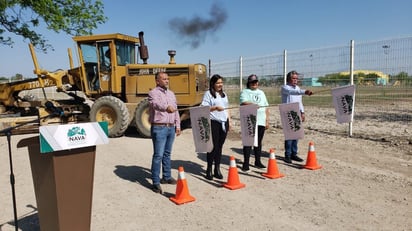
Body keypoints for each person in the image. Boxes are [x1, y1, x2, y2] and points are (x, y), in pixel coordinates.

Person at [148, 72, 181, 193]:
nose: (167, 81)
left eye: (168, 78)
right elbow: (155, 104)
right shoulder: (153, 93)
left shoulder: (171, 94)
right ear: (157, 81)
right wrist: (166, 107)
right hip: (159, 128)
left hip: (170, 128)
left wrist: (177, 125)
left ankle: (166, 177)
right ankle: (155, 182)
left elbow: (176, 110)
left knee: (167, 153)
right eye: (164, 79)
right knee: (158, 155)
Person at [201, 74, 231, 180]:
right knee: (212, 147)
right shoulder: (208, 94)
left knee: (219, 147)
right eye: (218, 83)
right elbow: (204, 107)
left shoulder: (224, 94)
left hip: (224, 122)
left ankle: (217, 169)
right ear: (213, 84)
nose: (220, 85)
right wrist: (214, 108)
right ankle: (209, 169)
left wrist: (229, 121)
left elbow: (227, 108)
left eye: (221, 82)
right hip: (213, 122)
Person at [281, 70, 313, 163]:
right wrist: (305, 92)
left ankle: (294, 154)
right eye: (293, 78)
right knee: (290, 135)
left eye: (296, 78)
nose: (295, 80)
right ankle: (287, 155)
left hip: (297, 112)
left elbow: (299, 102)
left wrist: (302, 112)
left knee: (296, 134)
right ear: (289, 79)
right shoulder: (285, 87)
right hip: (288, 112)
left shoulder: (298, 88)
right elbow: (293, 92)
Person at [239, 74, 269, 171]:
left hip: (261, 120)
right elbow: (243, 102)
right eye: (252, 82)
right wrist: (253, 104)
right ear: (249, 83)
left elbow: (266, 107)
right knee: (248, 142)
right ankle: (246, 163)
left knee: (258, 142)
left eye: (256, 82)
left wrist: (267, 120)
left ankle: (257, 161)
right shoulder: (245, 92)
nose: (254, 83)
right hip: (250, 120)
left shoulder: (261, 92)